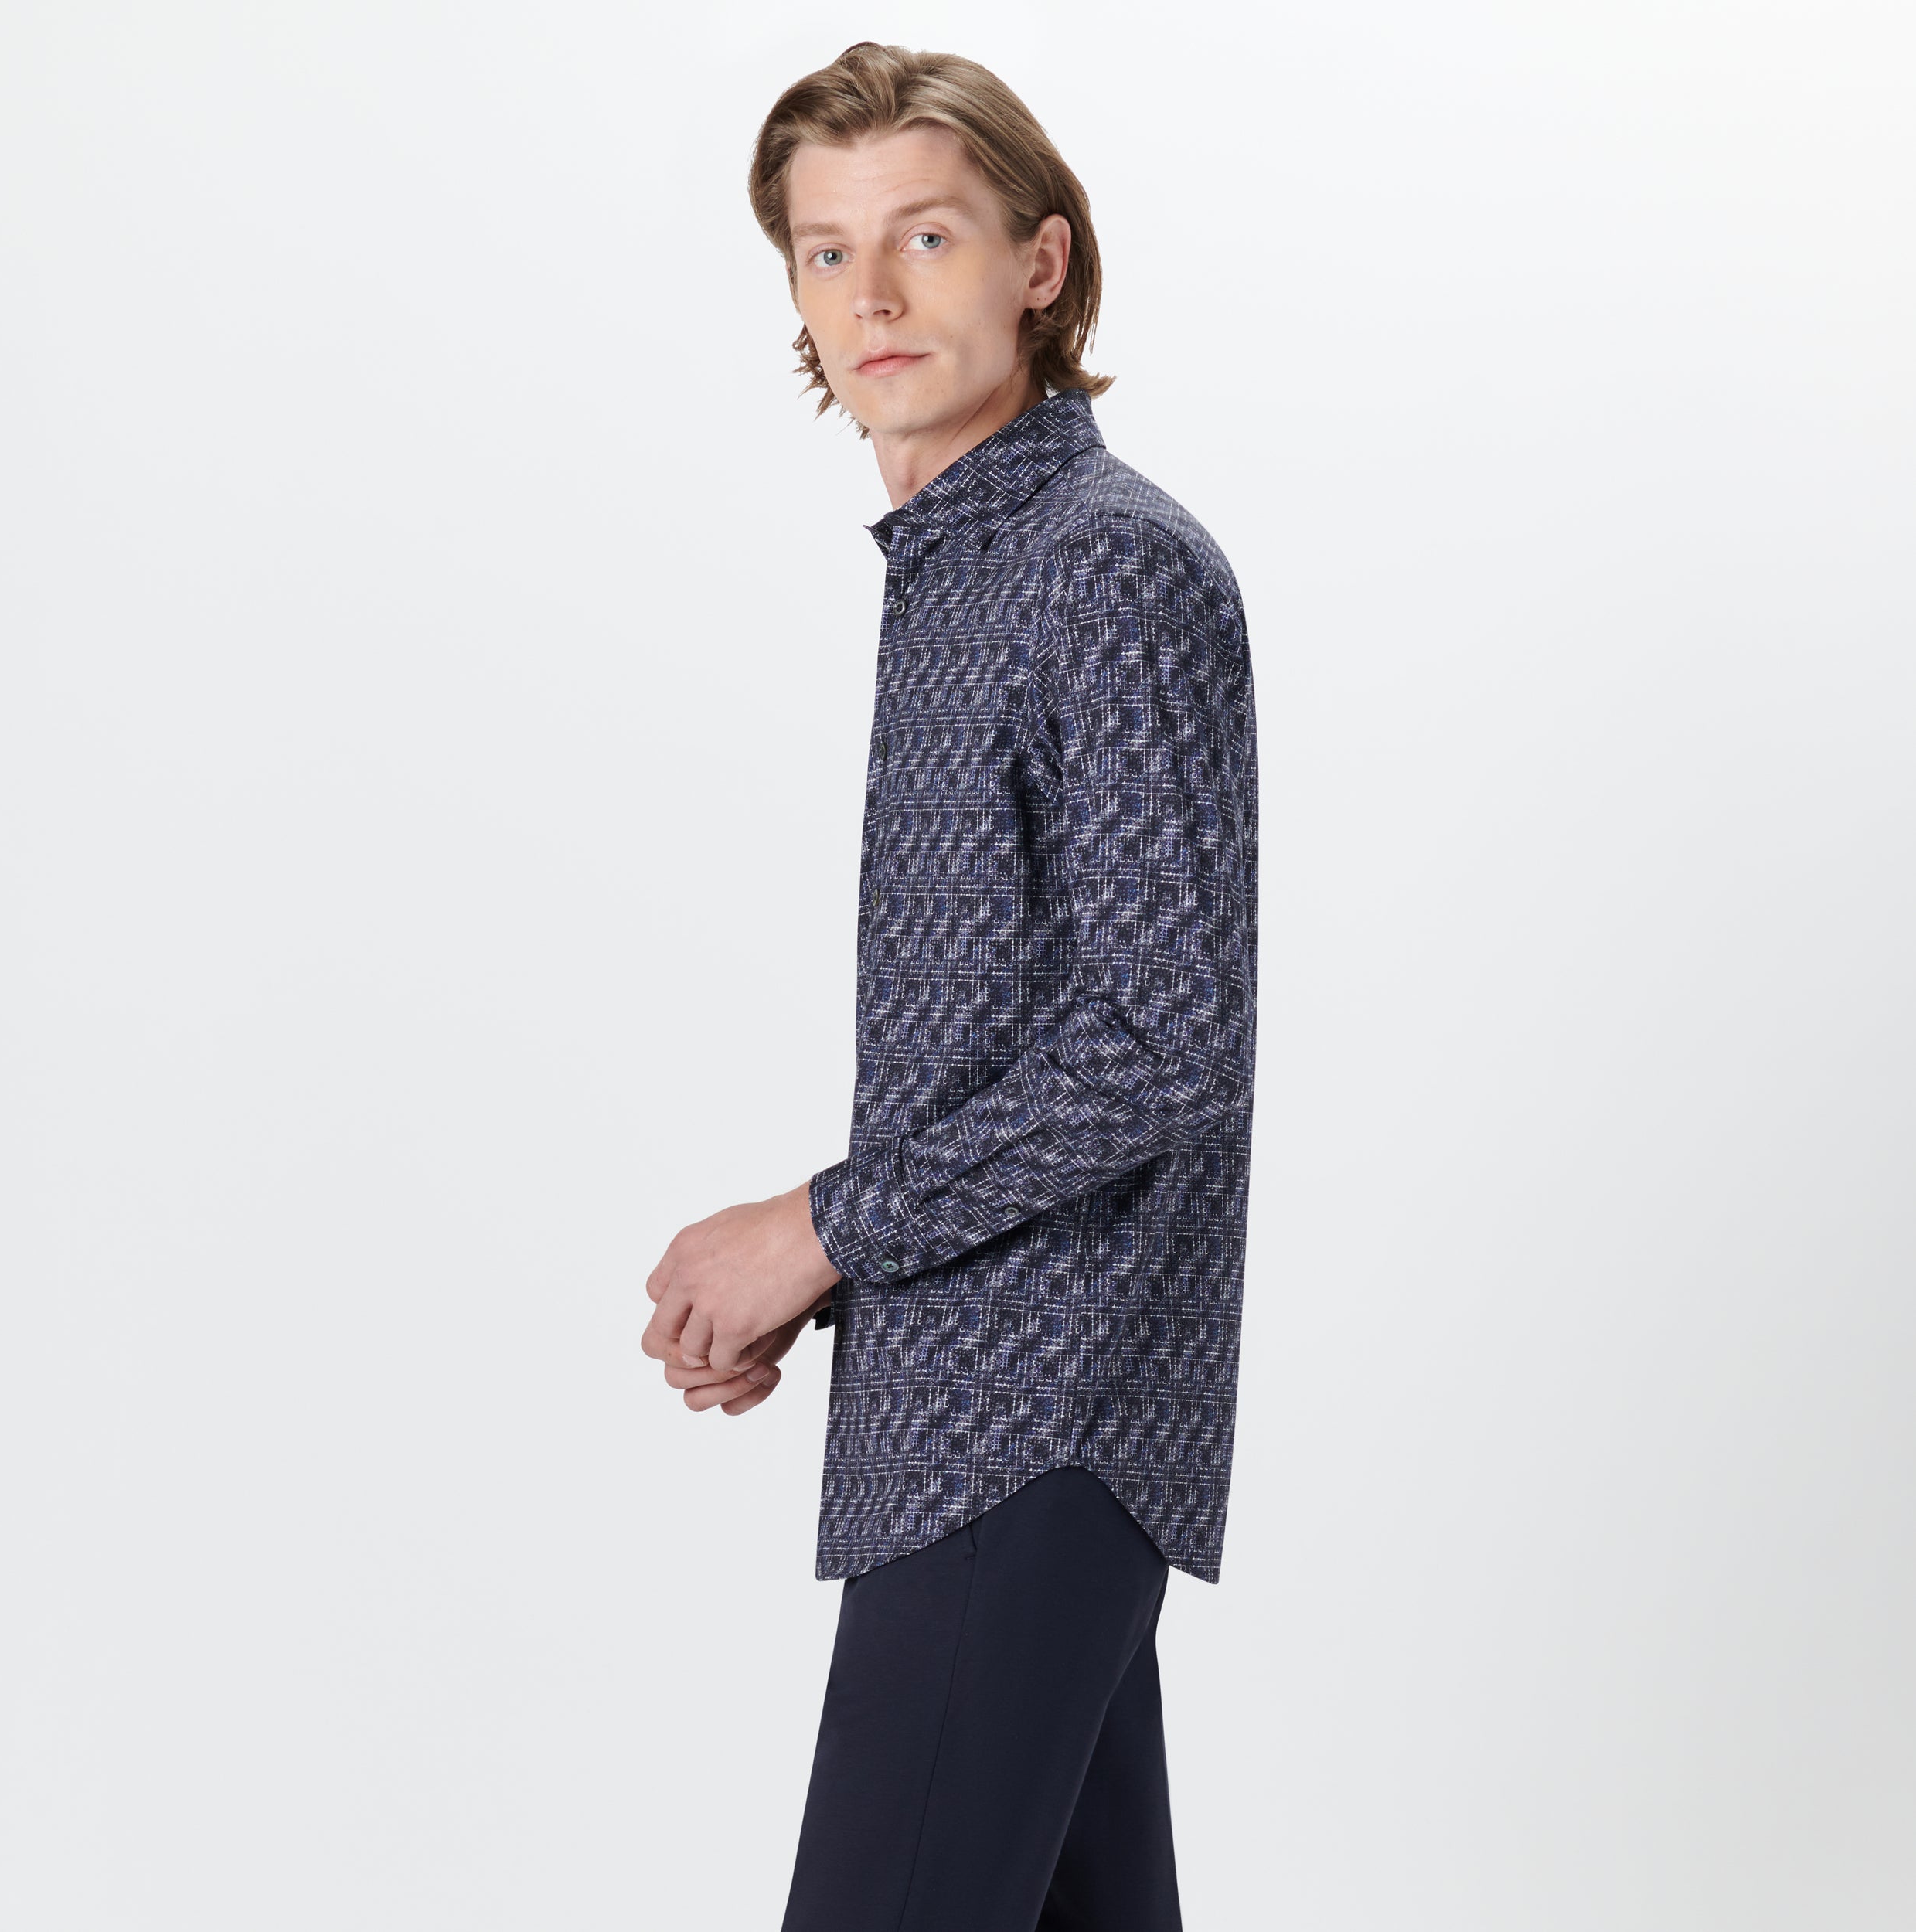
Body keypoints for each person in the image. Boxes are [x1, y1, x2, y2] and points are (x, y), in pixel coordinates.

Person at [641, 41, 1258, 1930]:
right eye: (825, 253)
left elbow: (1161, 1045)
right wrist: (832, 1275)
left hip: (1033, 1416)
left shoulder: (1102, 566)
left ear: (1039, 264)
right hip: (967, 1405)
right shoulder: (964, 570)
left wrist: (814, 1228)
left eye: (925, 236)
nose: (872, 297)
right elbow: (1022, 1038)